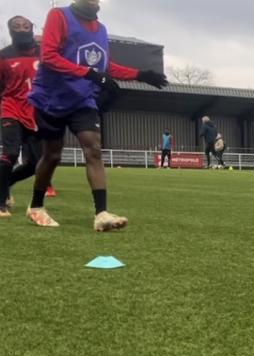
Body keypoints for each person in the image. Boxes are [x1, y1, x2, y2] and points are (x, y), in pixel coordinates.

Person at [25, 0, 168, 230]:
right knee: (52, 155)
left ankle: (101, 213)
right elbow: (49, 56)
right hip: (52, 97)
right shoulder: (59, 16)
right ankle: (36, 206)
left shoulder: (100, 29)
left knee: (93, 147)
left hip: (82, 99)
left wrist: (140, 74)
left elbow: (103, 66)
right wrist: (89, 74)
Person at [0, 16, 42, 217]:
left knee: (36, 164)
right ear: (10, 31)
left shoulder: (44, 53)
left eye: (26, 25)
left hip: (36, 112)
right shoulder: (4, 56)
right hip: (11, 109)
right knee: (10, 153)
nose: (22, 29)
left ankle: (5, 183)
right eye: (17, 26)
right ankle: (0, 203)